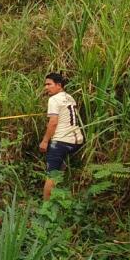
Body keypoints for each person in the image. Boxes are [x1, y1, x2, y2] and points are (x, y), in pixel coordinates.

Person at [39, 72, 84, 200]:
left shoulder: (53, 99)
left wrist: (45, 141)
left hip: (61, 142)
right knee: (59, 171)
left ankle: (46, 207)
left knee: (51, 175)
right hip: (77, 141)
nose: (46, 87)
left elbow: (53, 122)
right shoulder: (70, 97)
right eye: (45, 85)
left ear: (59, 85)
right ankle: (58, 200)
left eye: (49, 84)